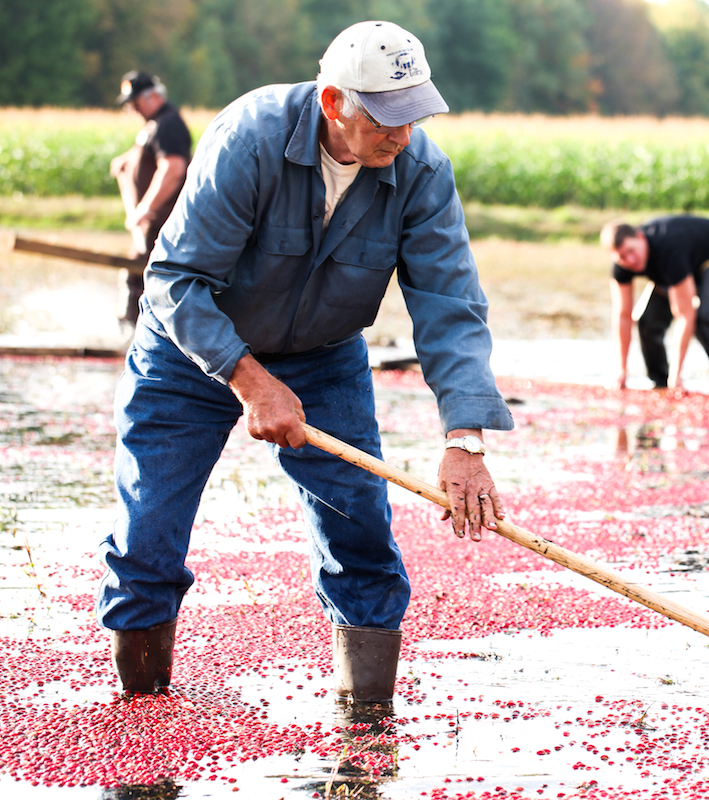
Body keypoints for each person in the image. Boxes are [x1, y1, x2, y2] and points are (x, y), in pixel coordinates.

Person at [97, 21, 514, 703]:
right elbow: (173, 279)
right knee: (149, 531)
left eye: (414, 115)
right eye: (384, 118)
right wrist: (249, 379)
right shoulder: (250, 140)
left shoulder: (421, 171)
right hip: (189, 351)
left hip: (322, 355)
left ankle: (367, 719)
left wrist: (465, 437)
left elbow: (451, 306)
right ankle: (142, 707)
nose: (402, 134)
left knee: (360, 531)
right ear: (333, 103)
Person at [601, 216, 709, 393]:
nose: (630, 260)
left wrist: (677, 374)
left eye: (631, 251)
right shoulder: (622, 265)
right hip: (684, 264)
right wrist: (621, 370)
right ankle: (661, 384)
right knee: (648, 321)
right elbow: (623, 315)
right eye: (622, 257)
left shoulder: (668, 248)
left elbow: (685, 315)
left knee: (706, 317)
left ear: (640, 237)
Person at [108, 71, 192, 328]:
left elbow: (173, 168)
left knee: (150, 281)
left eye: (135, 103)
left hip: (164, 224)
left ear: (154, 96)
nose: (132, 109)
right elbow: (148, 154)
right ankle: (129, 333)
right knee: (135, 275)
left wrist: (145, 208)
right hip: (150, 227)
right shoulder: (154, 125)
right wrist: (125, 161)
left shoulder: (169, 123)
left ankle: (144, 336)